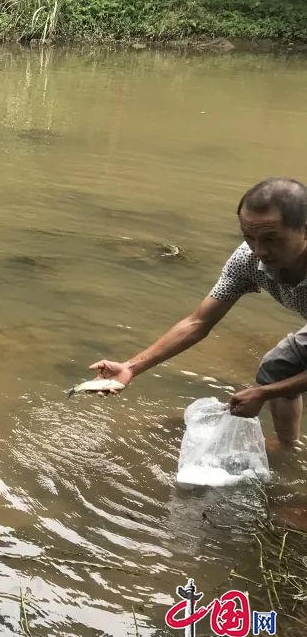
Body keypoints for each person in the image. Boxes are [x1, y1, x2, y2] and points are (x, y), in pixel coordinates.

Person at [90, 178, 307, 448]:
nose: (260, 250)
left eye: (272, 239)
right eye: (249, 237)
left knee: (276, 379)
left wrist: (263, 393)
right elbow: (198, 322)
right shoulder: (248, 260)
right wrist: (131, 368)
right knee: (278, 367)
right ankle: (289, 447)